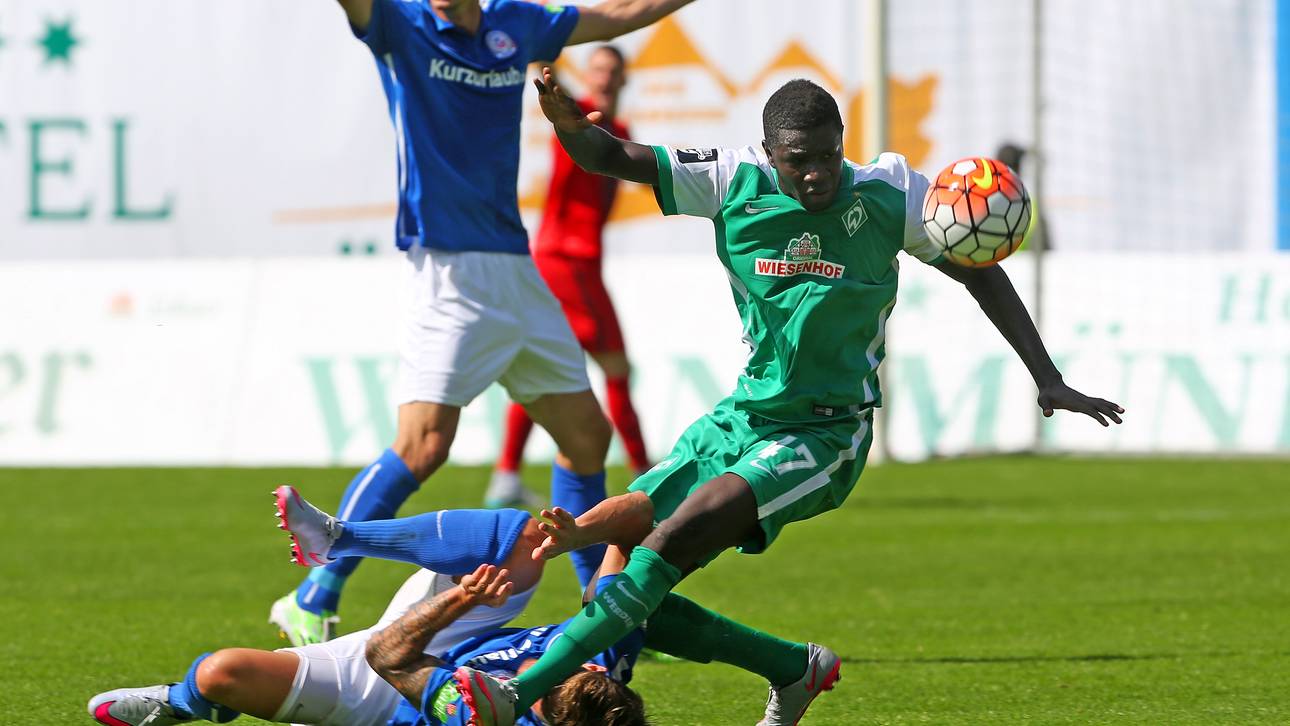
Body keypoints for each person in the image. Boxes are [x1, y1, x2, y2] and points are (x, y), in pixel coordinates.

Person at [452, 72, 1127, 726]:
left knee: (674, 538)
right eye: (799, 161)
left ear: (842, 142)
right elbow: (609, 155)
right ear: (769, 153)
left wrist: (1046, 375)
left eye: (829, 155)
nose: (817, 174)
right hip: (741, 419)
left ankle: (513, 696)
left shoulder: (888, 193)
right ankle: (792, 669)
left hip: (826, 435)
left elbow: (979, 272)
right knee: (617, 589)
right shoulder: (727, 179)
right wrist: (569, 128)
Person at [273, 0, 698, 647]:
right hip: (448, 270)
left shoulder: (515, 23)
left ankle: (595, 610)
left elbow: (614, 15)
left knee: (586, 436)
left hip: (515, 269)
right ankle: (314, 595)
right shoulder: (399, 21)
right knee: (424, 445)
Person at [88, 496, 548, 726]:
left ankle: (181, 702)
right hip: (457, 633)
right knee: (523, 540)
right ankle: (338, 539)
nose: (581, 672)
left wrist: (462, 597)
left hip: (386, 686)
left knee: (220, 673)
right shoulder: (600, 660)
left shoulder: (507, 714)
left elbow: (388, 655)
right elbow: (611, 587)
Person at [487, 44, 651, 507]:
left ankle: (506, 477)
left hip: (574, 264)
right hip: (567, 263)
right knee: (616, 370)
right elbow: (552, 81)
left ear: (622, 80)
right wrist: (536, 41)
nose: (602, 78)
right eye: (596, 69)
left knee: (547, 370)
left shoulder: (619, 131)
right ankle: (645, 476)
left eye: (611, 71)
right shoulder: (578, 121)